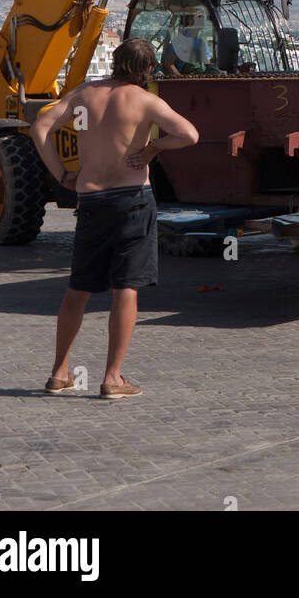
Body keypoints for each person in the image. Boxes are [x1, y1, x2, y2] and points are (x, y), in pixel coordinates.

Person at [29, 38, 199, 400]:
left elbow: (40, 126)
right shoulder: (145, 101)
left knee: (79, 288)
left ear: (116, 61)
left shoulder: (84, 96)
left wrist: (61, 174)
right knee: (127, 287)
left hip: (91, 199)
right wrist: (153, 147)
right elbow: (189, 134)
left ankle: (60, 372)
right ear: (149, 68)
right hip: (133, 200)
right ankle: (112, 378)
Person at [160, 6, 212, 75]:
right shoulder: (179, 41)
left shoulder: (201, 43)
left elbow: (208, 62)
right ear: (190, 20)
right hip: (183, 78)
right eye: (199, 17)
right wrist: (182, 79)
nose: (201, 20)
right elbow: (169, 64)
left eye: (202, 17)